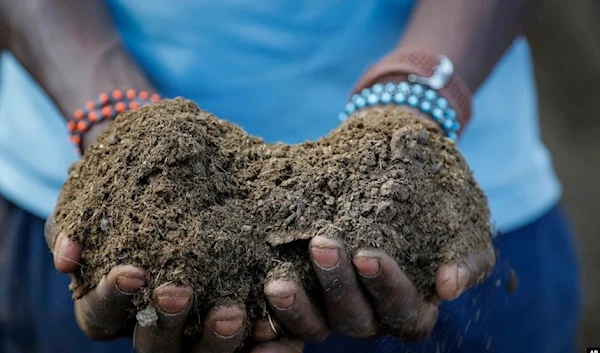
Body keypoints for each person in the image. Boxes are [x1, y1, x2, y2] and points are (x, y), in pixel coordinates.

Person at [0, 0, 581, 352]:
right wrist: (116, 124)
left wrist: (418, 95)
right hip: (104, 209)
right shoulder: (127, 182)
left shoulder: (417, 173)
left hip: (425, 196)